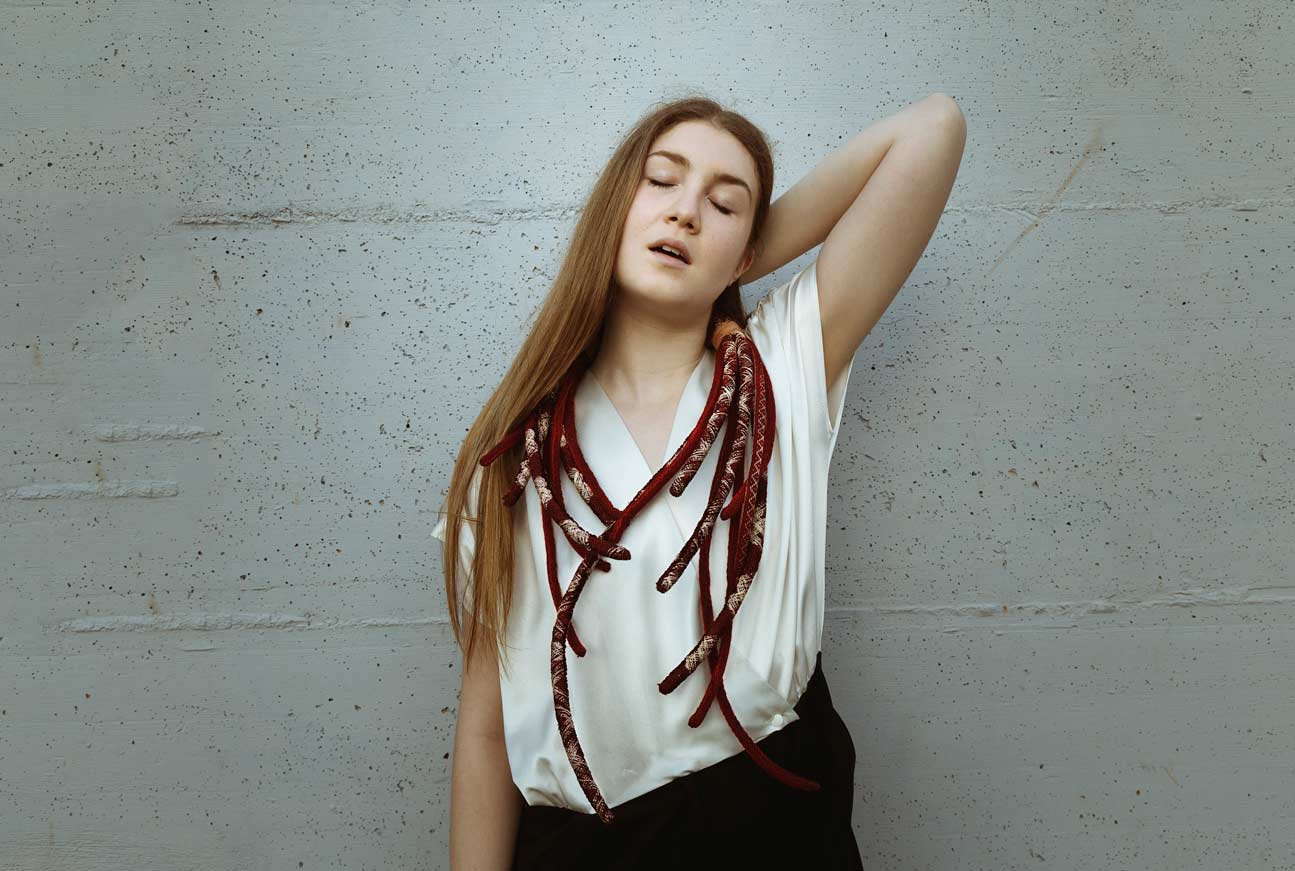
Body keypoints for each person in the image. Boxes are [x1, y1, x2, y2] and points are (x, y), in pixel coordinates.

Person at [436, 93, 966, 869]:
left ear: (748, 252)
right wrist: (709, 238)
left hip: (773, 832)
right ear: (614, 208)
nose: (684, 211)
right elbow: (487, 731)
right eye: (659, 182)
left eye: (723, 204)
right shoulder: (518, 455)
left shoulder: (778, 369)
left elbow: (933, 128)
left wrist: (730, 253)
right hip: (585, 850)